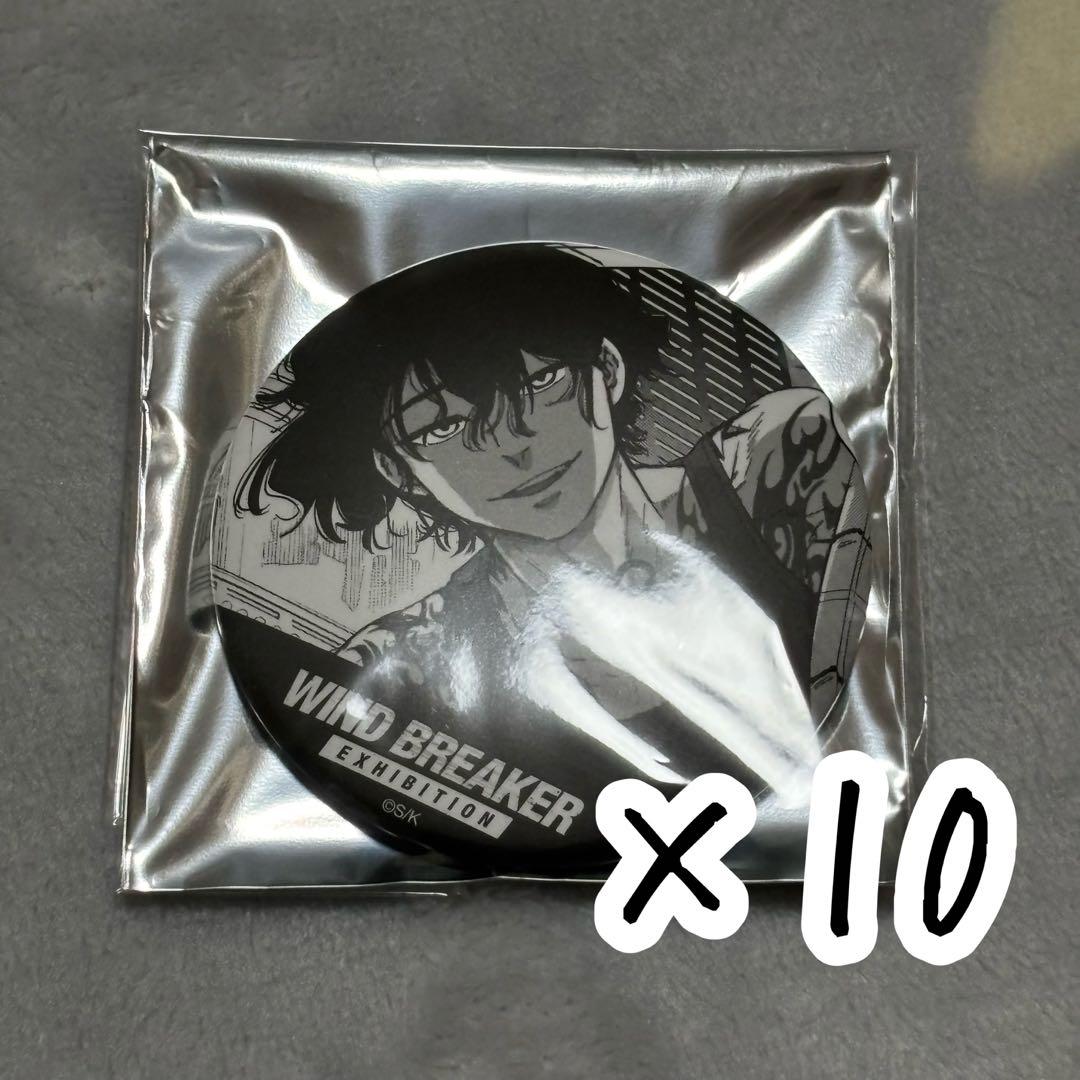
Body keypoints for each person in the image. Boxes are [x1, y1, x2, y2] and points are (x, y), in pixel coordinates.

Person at [236, 245, 869, 804]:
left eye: (542, 382)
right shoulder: (410, 661)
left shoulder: (773, 465)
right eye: (444, 427)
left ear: (608, 371)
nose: (516, 447)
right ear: (398, 471)